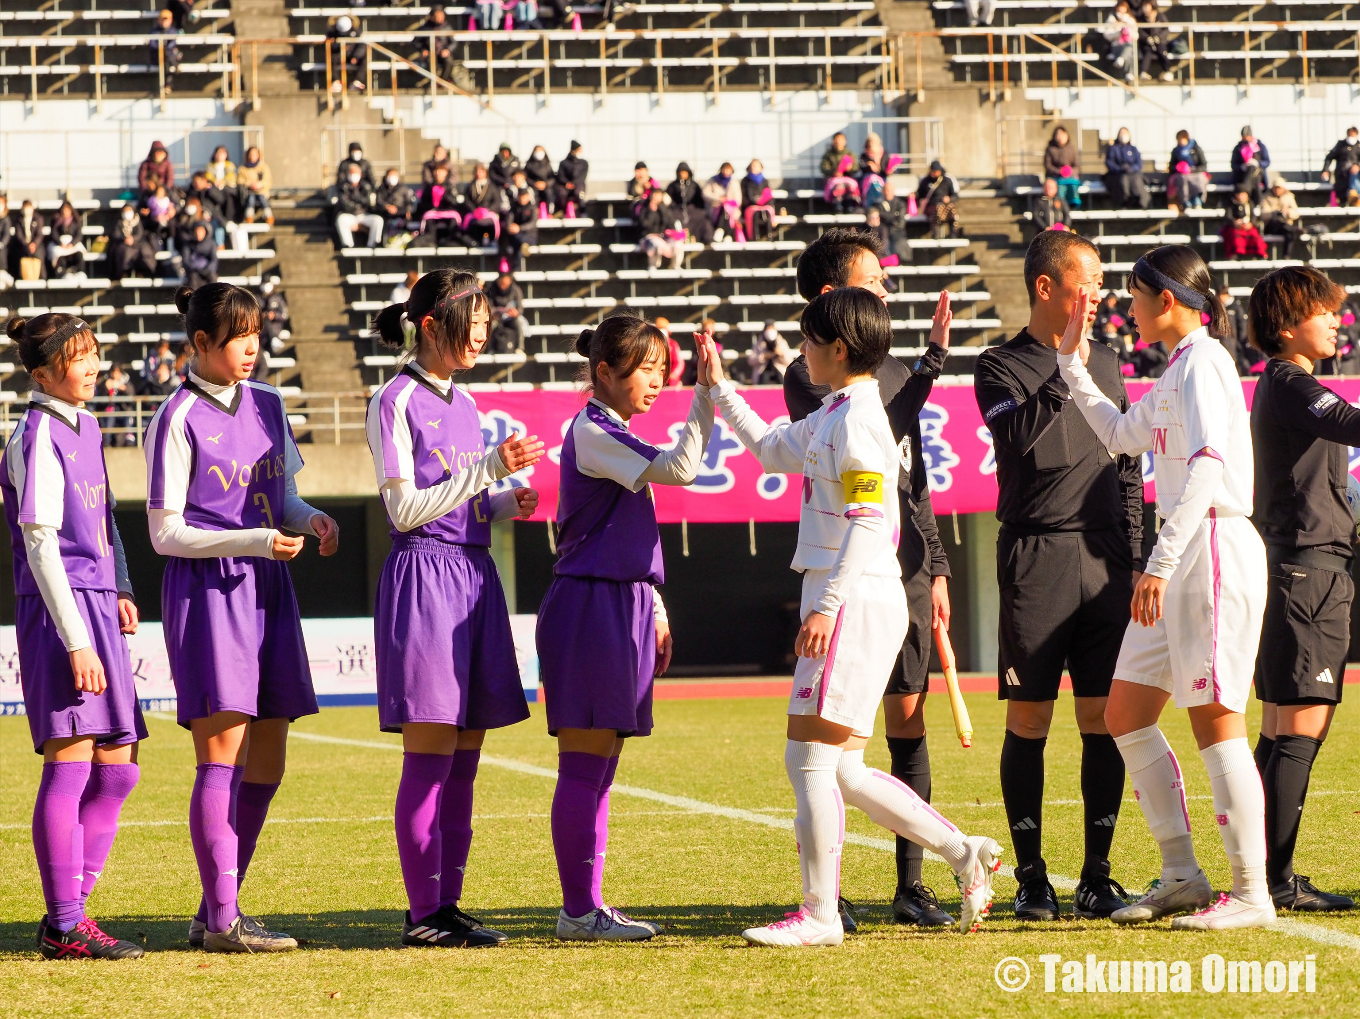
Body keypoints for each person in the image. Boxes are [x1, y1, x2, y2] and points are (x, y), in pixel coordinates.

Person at [706, 289, 1002, 946]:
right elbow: (770, 449)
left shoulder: (859, 418)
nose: (800, 350)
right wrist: (721, 390)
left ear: (838, 347)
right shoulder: (836, 410)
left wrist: (829, 603)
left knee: (808, 760)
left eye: (809, 339)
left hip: (855, 595)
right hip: (852, 592)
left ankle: (819, 914)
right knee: (840, 766)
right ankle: (965, 851)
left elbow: (871, 518)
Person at [1055, 244, 1272, 931]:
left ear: (1168, 300)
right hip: (1183, 552)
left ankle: (1251, 891)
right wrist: (1070, 362)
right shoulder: (1179, 367)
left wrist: (1157, 561)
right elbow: (1122, 435)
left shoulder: (1206, 362)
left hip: (1209, 544)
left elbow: (1208, 466)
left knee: (1216, 717)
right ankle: (1181, 871)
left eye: (1135, 295)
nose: (1128, 306)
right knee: (1125, 712)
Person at [144, 283, 340, 952]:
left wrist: (307, 517)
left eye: (258, 331)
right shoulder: (175, 417)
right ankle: (225, 919)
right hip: (208, 590)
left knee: (271, 755)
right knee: (221, 753)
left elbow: (280, 494)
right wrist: (254, 539)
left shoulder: (269, 401)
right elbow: (166, 533)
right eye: (237, 336)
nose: (252, 346)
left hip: (267, 586)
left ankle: (214, 909)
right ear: (201, 344)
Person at [784, 229, 957, 927]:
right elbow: (879, 436)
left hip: (901, 568)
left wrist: (939, 563)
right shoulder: (817, 377)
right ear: (836, 298)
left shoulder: (877, 368)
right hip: (851, 575)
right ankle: (832, 895)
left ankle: (912, 882)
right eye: (875, 281)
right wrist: (931, 362)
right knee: (832, 748)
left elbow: (909, 485)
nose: (887, 290)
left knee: (904, 724)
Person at [366, 269, 541, 948]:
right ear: (432, 324)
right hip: (424, 581)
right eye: (473, 317)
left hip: (473, 576)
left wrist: (501, 503)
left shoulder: (464, 403)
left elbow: (464, 496)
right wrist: (489, 472)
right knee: (431, 755)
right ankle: (422, 913)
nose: (483, 329)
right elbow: (405, 509)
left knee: (467, 759)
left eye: (488, 317)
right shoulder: (394, 399)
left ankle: (449, 901)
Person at [973, 230, 1142, 922]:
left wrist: (1136, 559)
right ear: (1047, 287)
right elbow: (1017, 438)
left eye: (1102, 281)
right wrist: (1062, 365)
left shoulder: (1109, 362)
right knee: (1031, 716)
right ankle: (1032, 876)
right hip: (1036, 556)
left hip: (1105, 560)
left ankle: (1098, 875)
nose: (1098, 294)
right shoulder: (999, 365)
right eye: (1087, 281)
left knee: (1105, 715)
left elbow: (1129, 468)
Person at [535, 315, 720, 941]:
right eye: (645, 369)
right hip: (591, 607)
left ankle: (587, 906)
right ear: (604, 373)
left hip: (621, 603)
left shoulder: (609, 431)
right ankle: (578, 910)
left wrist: (656, 606)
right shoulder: (592, 431)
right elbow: (683, 468)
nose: (657, 381)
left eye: (661, 369)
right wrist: (706, 396)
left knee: (601, 763)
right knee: (585, 764)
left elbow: (635, 526)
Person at [1, 314, 146, 960]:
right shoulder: (33, 435)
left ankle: (73, 913)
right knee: (71, 759)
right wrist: (76, 639)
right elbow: (40, 544)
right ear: (41, 374)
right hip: (59, 613)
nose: (92, 366)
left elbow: (104, 518)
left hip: (94, 605)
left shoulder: (85, 424)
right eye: (78, 357)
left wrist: (119, 586)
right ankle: (65, 922)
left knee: (118, 769)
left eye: (93, 354)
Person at [1244, 266, 1356, 913]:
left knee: (1284, 725)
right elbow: (1348, 420)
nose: (1337, 320)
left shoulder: (1287, 384)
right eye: (1326, 310)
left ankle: (1264, 872)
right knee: (1299, 727)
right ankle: (1275, 879)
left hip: (1303, 568)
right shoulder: (1290, 382)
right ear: (1289, 326)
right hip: (1307, 571)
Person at [332, 166, 384, 249]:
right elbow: (345, 204)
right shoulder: (343, 187)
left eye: (356, 173)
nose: (353, 176)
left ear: (360, 174)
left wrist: (357, 201)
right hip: (349, 214)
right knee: (341, 219)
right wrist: (358, 204)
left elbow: (367, 202)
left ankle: (373, 244)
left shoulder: (366, 187)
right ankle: (348, 245)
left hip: (363, 215)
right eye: (351, 173)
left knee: (378, 220)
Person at [414, 163, 463, 244]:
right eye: (437, 171)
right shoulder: (429, 186)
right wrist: (432, 205)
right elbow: (423, 202)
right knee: (428, 220)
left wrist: (444, 195)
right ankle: (430, 239)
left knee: (453, 220)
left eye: (441, 171)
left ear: (446, 173)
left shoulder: (450, 186)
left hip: (447, 211)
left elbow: (454, 203)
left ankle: (452, 239)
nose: (439, 173)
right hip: (433, 213)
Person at [635, 188, 681, 270]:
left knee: (677, 244)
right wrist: (651, 212)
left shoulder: (665, 209)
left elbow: (670, 224)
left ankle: (675, 266)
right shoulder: (644, 208)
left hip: (663, 236)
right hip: (648, 237)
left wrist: (662, 210)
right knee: (656, 244)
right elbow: (645, 225)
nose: (656, 197)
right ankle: (653, 265)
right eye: (655, 194)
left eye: (659, 195)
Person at [666, 163, 712, 244]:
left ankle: (705, 238)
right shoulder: (673, 185)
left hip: (692, 210)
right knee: (674, 219)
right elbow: (669, 200)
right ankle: (680, 239)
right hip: (677, 210)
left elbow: (699, 201)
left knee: (703, 219)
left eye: (684, 172)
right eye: (681, 172)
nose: (682, 174)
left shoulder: (694, 185)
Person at [1104, 128, 1149, 210]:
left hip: (1133, 173)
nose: (1123, 136)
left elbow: (1139, 163)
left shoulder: (1133, 149)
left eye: (1125, 133)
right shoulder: (1113, 148)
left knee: (1136, 180)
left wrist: (1131, 169)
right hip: (1117, 174)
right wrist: (1120, 169)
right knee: (1123, 180)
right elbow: (1109, 163)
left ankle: (1139, 202)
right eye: (1121, 133)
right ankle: (1124, 202)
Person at [111, 206, 159, 280]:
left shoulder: (137, 221)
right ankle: (125, 273)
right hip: (124, 243)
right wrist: (125, 238)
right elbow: (116, 234)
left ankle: (143, 272)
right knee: (125, 251)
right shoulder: (119, 222)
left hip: (138, 242)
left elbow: (140, 233)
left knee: (144, 250)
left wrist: (133, 239)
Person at [462, 162, 504, 246]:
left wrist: (488, 210)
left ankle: (492, 240)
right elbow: (467, 200)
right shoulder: (471, 186)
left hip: (488, 213)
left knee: (490, 223)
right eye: (477, 171)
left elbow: (497, 201)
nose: (479, 173)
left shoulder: (492, 186)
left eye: (481, 171)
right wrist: (474, 210)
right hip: (474, 213)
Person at [1167, 130, 1209, 213]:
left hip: (1195, 173)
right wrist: (1179, 168)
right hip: (1182, 174)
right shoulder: (1176, 151)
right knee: (1183, 179)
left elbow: (1203, 165)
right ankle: (1186, 202)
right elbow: (1171, 166)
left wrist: (1192, 170)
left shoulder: (1196, 149)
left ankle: (1197, 199)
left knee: (1199, 178)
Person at [1259, 178, 1303, 257]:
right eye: (1276, 188)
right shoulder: (1266, 197)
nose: (1277, 190)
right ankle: (1295, 229)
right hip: (1271, 225)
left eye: (1279, 188)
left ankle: (1286, 255)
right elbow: (1263, 214)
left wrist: (1287, 212)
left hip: (1285, 226)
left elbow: (1296, 213)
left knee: (1290, 233)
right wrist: (1276, 213)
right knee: (1283, 225)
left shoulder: (1289, 197)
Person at [916, 160, 960, 239]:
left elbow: (955, 195)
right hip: (932, 207)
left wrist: (949, 199)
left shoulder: (947, 181)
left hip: (945, 206)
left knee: (952, 208)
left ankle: (953, 232)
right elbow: (919, 194)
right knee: (937, 208)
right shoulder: (926, 181)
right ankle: (935, 232)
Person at [485, 271, 526, 353]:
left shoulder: (516, 290)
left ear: (510, 281)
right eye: (501, 284)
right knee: (490, 325)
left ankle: (520, 347)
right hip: (496, 317)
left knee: (519, 323)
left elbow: (520, 308)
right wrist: (494, 313)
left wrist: (515, 313)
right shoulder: (491, 289)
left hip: (511, 317)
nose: (503, 286)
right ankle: (490, 349)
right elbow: (489, 306)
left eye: (505, 284)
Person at [416, 4, 458, 84]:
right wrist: (422, 50)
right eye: (437, 16)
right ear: (432, 17)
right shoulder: (425, 27)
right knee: (430, 60)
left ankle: (442, 82)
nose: (440, 19)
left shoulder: (447, 27)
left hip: (442, 52)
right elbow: (415, 42)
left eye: (441, 16)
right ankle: (434, 81)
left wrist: (448, 50)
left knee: (449, 61)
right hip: (430, 52)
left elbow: (453, 42)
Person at [500, 187, 538, 273]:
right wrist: (511, 227)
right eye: (521, 196)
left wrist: (519, 228)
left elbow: (532, 224)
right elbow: (508, 220)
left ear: (528, 197)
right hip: (515, 235)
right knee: (514, 245)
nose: (522, 198)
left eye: (524, 196)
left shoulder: (532, 208)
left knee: (519, 245)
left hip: (529, 235)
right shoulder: (514, 208)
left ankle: (517, 268)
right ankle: (515, 267)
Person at [1320, 126, 1360, 208]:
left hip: (1354, 177)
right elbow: (1329, 157)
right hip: (1341, 176)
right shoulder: (1340, 145)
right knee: (1341, 196)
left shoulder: (1358, 146)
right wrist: (1325, 170)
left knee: (1354, 179)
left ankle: (1354, 195)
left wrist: (1357, 166)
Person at [1220, 190, 1267, 260]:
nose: (1242, 196)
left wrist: (1250, 223)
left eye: (1244, 194)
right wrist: (1235, 222)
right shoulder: (1231, 204)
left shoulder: (1250, 204)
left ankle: (1257, 253)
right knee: (1236, 235)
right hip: (1236, 227)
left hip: (1248, 226)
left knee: (1254, 235)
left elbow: (1253, 217)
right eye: (1240, 194)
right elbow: (1228, 216)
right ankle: (1236, 253)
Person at [325, 15, 367, 92]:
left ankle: (357, 81)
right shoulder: (332, 32)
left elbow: (361, 46)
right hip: (339, 55)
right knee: (330, 59)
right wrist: (339, 48)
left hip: (352, 55)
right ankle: (336, 82)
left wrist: (356, 56)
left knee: (364, 59)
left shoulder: (356, 31)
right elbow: (330, 46)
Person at [1044, 126, 1082, 209]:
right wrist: (1060, 171)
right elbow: (1048, 166)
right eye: (1058, 135)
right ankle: (1059, 207)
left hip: (1070, 176)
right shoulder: (1050, 149)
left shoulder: (1072, 148)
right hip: (1055, 176)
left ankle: (1072, 206)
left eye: (1063, 135)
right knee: (1059, 187)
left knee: (1072, 186)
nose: (1060, 137)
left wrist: (1070, 172)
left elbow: (1077, 166)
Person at [703, 163, 742, 242]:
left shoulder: (734, 183)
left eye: (728, 170)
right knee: (723, 210)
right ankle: (725, 233)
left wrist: (729, 202)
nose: (726, 172)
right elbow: (705, 193)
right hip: (715, 207)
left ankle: (722, 231)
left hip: (731, 209)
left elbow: (738, 199)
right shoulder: (713, 181)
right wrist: (718, 199)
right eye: (724, 169)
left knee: (727, 211)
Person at [1101, 0, 1138, 83]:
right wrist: (1118, 33)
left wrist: (1128, 33)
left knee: (1130, 48)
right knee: (1130, 51)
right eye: (1120, 7)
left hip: (1129, 43)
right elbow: (1107, 35)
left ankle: (1122, 59)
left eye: (1123, 7)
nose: (1121, 9)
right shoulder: (1111, 20)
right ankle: (1129, 73)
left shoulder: (1130, 20)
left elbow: (1136, 35)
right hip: (1116, 45)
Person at [1232, 127, 1271, 205]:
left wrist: (1257, 163)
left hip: (1258, 173)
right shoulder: (1238, 148)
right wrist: (1242, 166)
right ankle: (1258, 202)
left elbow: (1267, 162)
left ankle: (1246, 192)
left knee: (1253, 169)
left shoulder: (1260, 147)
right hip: (1243, 175)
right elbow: (1234, 165)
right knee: (1252, 174)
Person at [1137, 0, 1175, 81]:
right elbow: (1139, 30)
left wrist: (1159, 37)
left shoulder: (1160, 16)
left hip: (1159, 42)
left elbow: (1165, 29)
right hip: (1146, 43)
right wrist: (1146, 38)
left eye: (1147, 6)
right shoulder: (1140, 18)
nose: (1145, 8)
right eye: (1144, 6)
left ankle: (1167, 71)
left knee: (1161, 52)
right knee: (1147, 53)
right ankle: (1143, 72)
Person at [740, 160, 775, 243]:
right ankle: (755, 236)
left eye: (756, 166)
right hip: (750, 205)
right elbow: (744, 196)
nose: (754, 168)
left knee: (767, 212)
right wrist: (754, 202)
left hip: (763, 206)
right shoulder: (745, 181)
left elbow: (768, 195)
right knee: (755, 213)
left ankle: (769, 235)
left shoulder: (764, 181)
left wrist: (765, 203)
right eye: (752, 166)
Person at [238, 147, 273, 226]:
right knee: (251, 199)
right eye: (251, 154)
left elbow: (268, 180)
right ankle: (249, 217)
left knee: (262, 198)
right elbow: (239, 180)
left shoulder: (263, 167)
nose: (252, 156)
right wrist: (250, 184)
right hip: (249, 191)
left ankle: (269, 216)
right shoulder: (243, 168)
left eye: (254, 154)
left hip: (262, 191)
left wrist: (260, 184)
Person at [149, 9, 182, 92]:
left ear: (170, 20)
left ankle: (168, 85)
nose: (164, 22)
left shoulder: (173, 31)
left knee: (166, 58)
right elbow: (153, 45)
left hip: (168, 57)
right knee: (165, 56)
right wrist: (163, 48)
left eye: (166, 20)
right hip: (158, 56)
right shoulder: (154, 32)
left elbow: (173, 44)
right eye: (162, 19)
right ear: (158, 20)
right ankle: (175, 67)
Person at [12, 201, 45, 280]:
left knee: (39, 254)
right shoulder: (18, 219)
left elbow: (39, 234)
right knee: (17, 253)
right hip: (23, 245)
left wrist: (34, 244)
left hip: (36, 244)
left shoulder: (38, 218)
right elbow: (19, 235)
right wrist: (27, 244)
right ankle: (19, 276)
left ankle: (43, 277)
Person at [377, 169, 413, 241]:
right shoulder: (381, 188)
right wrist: (387, 206)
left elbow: (409, 202)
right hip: (386, 214)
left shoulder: (403, 188)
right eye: (390, 176)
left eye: (394, 176)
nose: (392, 178)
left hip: (401, 213)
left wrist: (408, 211)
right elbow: (379, 202)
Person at [556, 141, 588, 220]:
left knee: (579, 193)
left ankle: (582, 211)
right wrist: (566, 183)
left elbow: (582, 176)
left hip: (578, 184)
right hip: (565, 185)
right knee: (562, 193)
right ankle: (563, 211)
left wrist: (574, 183)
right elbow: (560, 175)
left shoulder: (584, 163)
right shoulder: (564, 163)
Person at [258, 277, 289, 355]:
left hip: (275, 328)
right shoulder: (257, 298)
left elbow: (284, 315)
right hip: (261, 330)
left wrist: (274, 315)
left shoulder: (278, 298)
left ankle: (274, 339)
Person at [183, 222, 218, 288]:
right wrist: (195, 268)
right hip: (194, 271)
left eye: (201, 231)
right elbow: (185, 260)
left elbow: (214, 259)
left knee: (213, 278)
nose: (198, 234)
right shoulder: (188, 244)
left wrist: (207, 269)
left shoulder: (211, 243)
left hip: (207, 270)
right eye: (197, 231)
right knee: (193, 278)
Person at [525, 145, 556, 217]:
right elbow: (526, 177)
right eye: (537, 151)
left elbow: (552, 178)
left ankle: (549, 213)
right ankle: (534, 212)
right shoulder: (529, 164)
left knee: (549, 193)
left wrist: (545, 184)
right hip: (533, 186)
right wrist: (534, 183)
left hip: (546, 186)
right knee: (533, 194)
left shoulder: (548, 164)